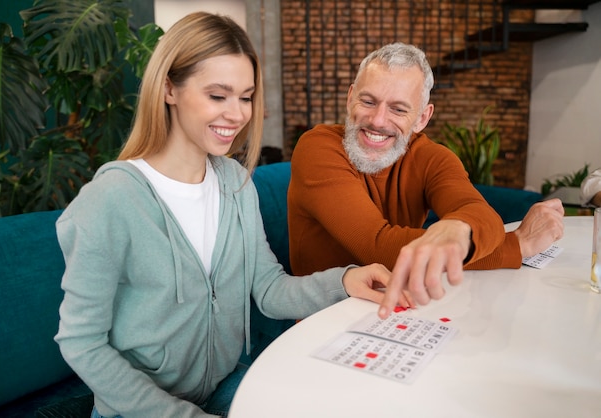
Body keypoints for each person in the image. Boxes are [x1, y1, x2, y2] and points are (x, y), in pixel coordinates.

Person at [54, 12, 395, 418]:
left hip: (222, 386)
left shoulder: (234, 183)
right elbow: (81, 341)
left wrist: (345, 280)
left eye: (246, 96)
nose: (237, 114)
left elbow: (268, 288)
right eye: (218, 96)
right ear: (169, 89)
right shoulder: (110, 201)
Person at [287, 42, 564, 319]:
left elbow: (482, 215)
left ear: (421, 118)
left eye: (398, 109)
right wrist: (517, 245)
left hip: (398, 313)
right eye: (368, 101)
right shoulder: (317, 147)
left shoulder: (432, 157)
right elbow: (378, 247)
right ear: (350, 100)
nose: (378, 120)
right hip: (323, 320)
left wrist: (460, 227)